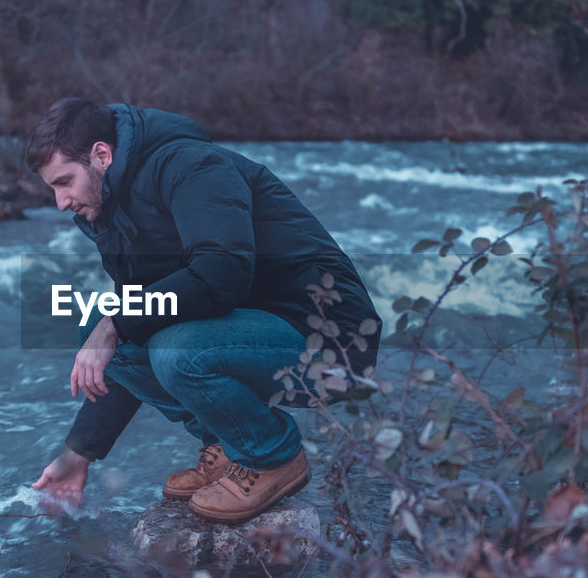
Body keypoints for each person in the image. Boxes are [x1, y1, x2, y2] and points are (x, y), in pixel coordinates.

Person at [27, 98, 380, 523]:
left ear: (102, 155)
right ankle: (224, 448)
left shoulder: (192, 166)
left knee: (174, 348)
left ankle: (270, 457)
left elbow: (222, 274)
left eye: (64, 181)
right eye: (53, 188)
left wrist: (117, 322)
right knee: (97, 329)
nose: (61, 202)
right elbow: (135, 330)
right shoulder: (114, 210)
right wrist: (78, 452)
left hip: (328, 342)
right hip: (252, 330)